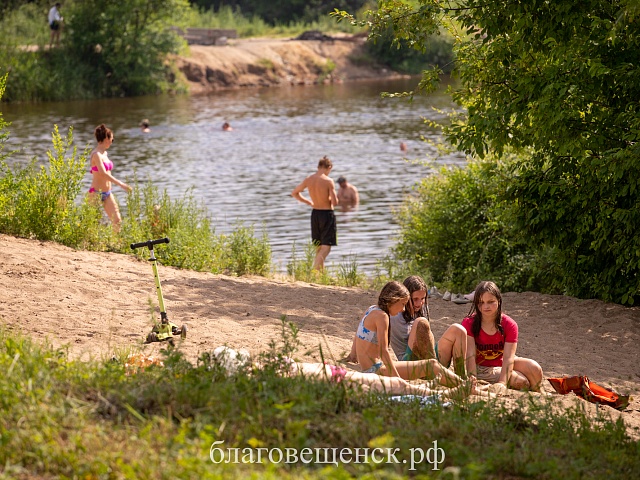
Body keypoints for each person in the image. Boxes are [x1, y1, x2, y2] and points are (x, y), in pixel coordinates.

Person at [347, 275, 469, 377]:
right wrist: (353, 354)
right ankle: (433, 371)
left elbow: (426, 338)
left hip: (429, 356)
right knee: (420, 322)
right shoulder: (392, 313)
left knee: (458, 329)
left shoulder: (422, 308)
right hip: (410, 361)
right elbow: (364, 326)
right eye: (415, 299)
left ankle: (461, 376)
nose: (419, 303)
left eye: (423, 298)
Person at [462, 280, 544, 393]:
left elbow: (508, 357)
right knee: (522, 382)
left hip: (501, 361)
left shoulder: (510, 324)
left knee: (534, 368)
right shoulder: (468, 323)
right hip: (481, 367)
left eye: (490, 302)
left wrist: (502, 383)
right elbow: (470, 355)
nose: (486, 306)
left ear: (499, 301)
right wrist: (472, 380)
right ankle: (529, 392)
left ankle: (538, 394)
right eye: (481, 302)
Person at [288, 361, 483, 401]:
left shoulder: (272, 369)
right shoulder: (278, 377)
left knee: (393, 384)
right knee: (397, 385)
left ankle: (426, 389)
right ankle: (445, 394)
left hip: (337, 374)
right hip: (338, 381)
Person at [291, 156, 338, 271]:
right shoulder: (328, 181)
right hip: (327, 214)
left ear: (318, 167)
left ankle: (320, 276)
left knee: (318, 246)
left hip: (315, 214)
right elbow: (335, 202)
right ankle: (314, 271)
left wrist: (308, 202)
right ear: (329, 167)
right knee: (326, 248)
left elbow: (295, 193)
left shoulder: (309, 179)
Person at [88, 124, 132, 233]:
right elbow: (103, 173)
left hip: (107, 193)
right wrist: (121, 184)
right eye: (112, 139)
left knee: (117, 220)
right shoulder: (96, 154)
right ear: (106, 138)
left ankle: (114, 245)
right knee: (93, 223)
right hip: (96, 193)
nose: (112, 141)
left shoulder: (105, 153)